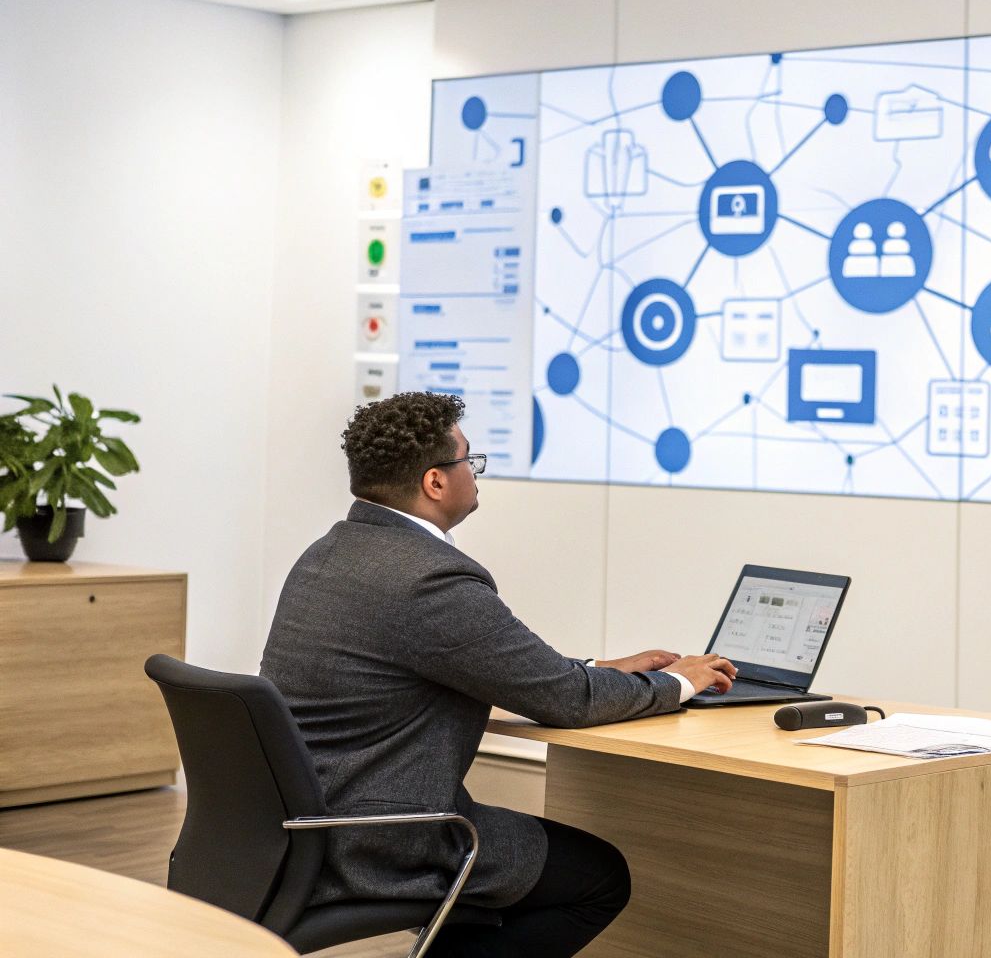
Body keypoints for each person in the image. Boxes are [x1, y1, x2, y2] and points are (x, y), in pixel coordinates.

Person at [260, 392, 736, 958]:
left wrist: (597, 668)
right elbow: (568, 702)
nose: (476, 472)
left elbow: (485, 664)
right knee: (600, 877)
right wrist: (681, 682)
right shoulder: (430, 579)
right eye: (470, 460)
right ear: (436, 482)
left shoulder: (328, 554)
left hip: (304, 824)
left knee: (509, 898)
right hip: (384, 840)